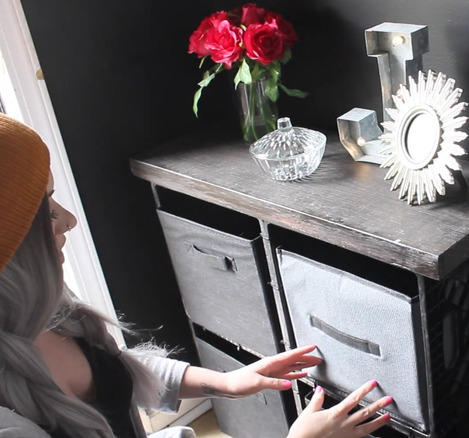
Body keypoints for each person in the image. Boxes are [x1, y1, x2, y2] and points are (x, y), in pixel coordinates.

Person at [0, 113, 393, 438]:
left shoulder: (41, 305)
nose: (68, 220)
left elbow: (110, 370)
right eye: (45, 211)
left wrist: (227, 383)